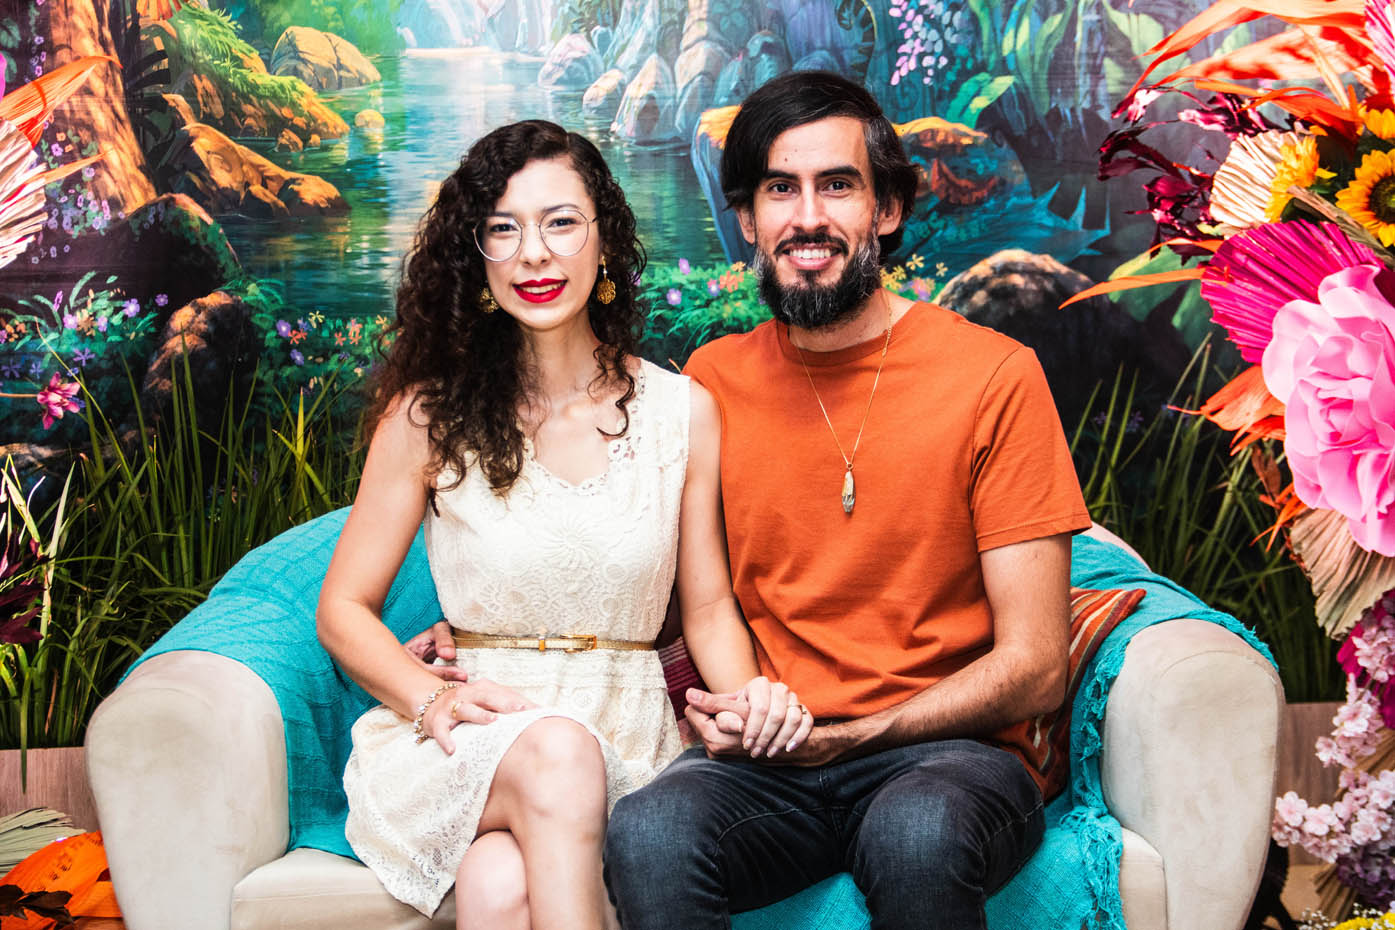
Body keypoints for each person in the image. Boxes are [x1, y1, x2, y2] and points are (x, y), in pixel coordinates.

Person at [600, 71, 1094, 929]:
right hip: (773, 758)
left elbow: (1036, 666)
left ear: (886, 210)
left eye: (837, 185)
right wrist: (478, 625)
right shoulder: (712, 382)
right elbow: (661, 576)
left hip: (952, 758)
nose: (807, 217)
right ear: (747, 220)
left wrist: (855, 734)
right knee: (649, 830)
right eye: (778, 189)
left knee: (914, 830)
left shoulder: (994, 376)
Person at [316, 120, 812, 930]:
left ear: (603, 240)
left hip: (632, 730)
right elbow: (342, 608)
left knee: (498, 886)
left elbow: (708, 607)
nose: (533, 255)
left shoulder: (681, 411)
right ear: (477, 255)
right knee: (557, 752)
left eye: (560, 223)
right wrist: (428, 701)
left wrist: (745, 704)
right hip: (475, 731)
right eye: (502, 229)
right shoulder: (426, 417)